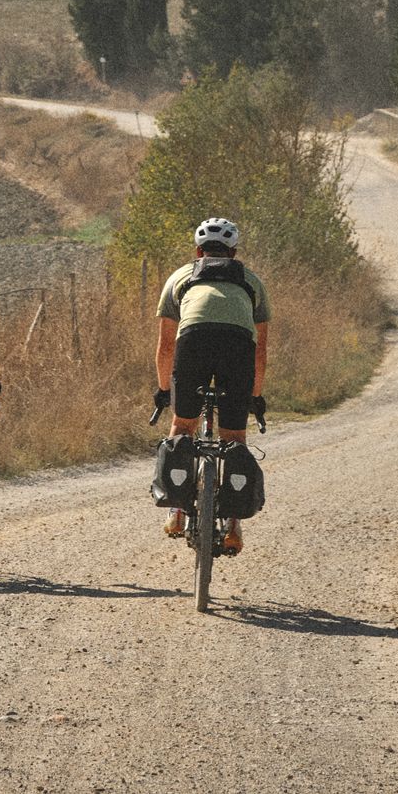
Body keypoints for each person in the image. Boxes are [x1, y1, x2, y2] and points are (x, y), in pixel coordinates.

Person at [152, 217, 269, 555]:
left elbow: (165, 346)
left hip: (193, 345)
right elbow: (260, 350)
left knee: (182, 426)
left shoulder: (180, 277)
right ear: (234, 252)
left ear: (198, 251)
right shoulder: (252, 282)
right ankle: (233, 526)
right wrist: (255, 397)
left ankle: (176, 512)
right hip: (238, 349)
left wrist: (164, 391)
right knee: (234, 438)